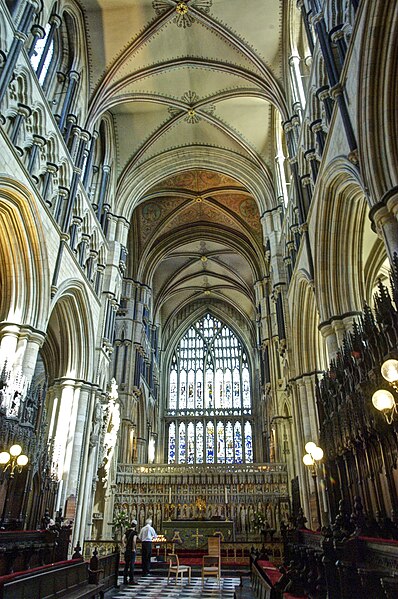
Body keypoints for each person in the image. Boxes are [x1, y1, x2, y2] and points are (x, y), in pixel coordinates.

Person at [123, 520, 138, 585]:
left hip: (127, 550)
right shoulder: (134, 532)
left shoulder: (127, 531)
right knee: (131, 565)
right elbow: (134, 540)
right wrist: (133, 548)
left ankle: (125, 579)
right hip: (131, 550)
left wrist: (124, 545)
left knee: (126, 565)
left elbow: (122, 538)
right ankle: (131, 579)